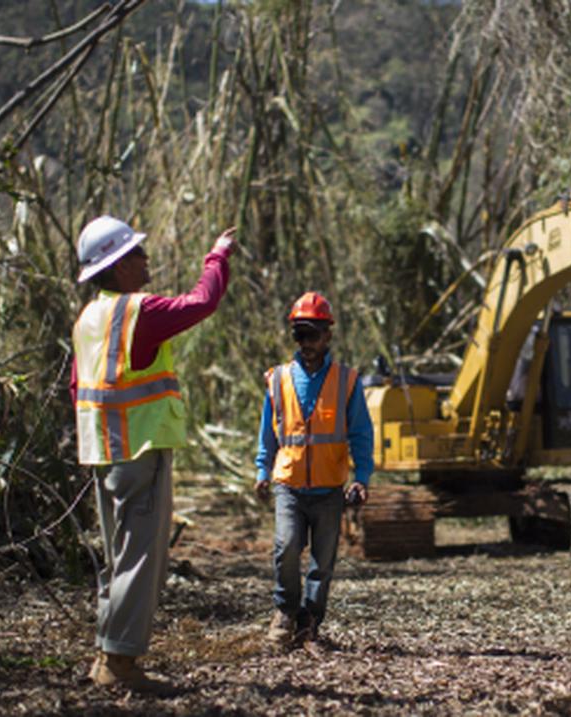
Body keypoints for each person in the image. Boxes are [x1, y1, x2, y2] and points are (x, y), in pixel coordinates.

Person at [71, 215, 236, 693]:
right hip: (140, 448)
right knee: (141, 558)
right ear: (119, 266)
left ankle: (107, 655)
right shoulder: (137, 311)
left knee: (118, 558)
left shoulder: (88, 319)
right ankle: (120, 662)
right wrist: (218, 255)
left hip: (102, 451)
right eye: (137, 252)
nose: (146, 259)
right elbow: (202, 301)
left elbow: (77, 385)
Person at [254, 291, 373, 649]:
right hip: (288, 483)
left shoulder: (347, 381)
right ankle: (285, 612)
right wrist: (262, 470)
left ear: (328, 336)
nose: (306, 343)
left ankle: (310, 622)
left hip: (329, 487)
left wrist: (362, 478)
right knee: (286, 547)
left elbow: (361, 435)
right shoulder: (278, 379)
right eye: (299, 335)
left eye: (313, 335)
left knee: (323, 563)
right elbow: (267, 433)